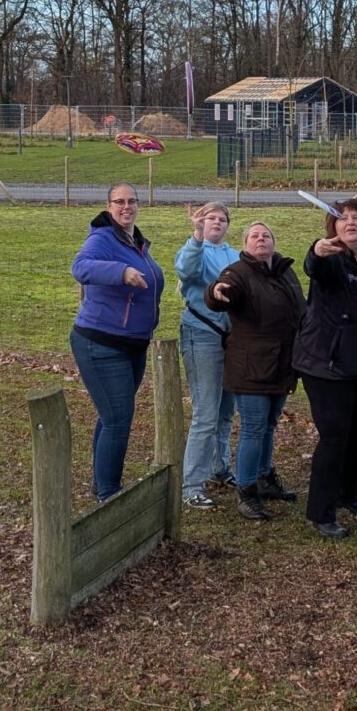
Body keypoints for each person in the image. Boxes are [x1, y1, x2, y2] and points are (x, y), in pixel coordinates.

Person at [293, 198, 357, 540]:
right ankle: (321, 512)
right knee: (333, 436)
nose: (350, 222)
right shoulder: (331, 259)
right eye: (342, 219)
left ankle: (349, 492)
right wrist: (316, 252)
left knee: (354, 432)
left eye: (356, 217)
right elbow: (313, 266)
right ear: (333, 228)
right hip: (324, 363)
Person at [70, 182, 165, 502]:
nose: (127, 207)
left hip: (133, 346)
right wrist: (121, 271)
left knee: (112, 416)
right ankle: (109, 496)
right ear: (109, 206)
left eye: (132, 201)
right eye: (120, 202)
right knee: (118, 419)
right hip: (102, 343)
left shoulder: (135, 241)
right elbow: (80, 267)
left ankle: (101, 484)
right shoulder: (102, 238)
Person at [205, 222, 305, 521]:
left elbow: (300, 309)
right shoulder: (237, 273)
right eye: (254, 236)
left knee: (270, 424)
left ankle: (264, 477)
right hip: (250, 366)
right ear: (245, 245)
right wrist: (216, 291)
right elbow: (221, 292)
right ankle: (246, 490)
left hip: (282, 363)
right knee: (253, 427)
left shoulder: (285, 272)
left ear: (274, 242)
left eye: (266, 235)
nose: (261, 239)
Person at [176, 202, 239, 510]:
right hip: (201, 334)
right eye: (210, 218)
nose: (216, 222)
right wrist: (197, 236)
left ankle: (219, 467)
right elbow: (186, 271)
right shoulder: (195, 250)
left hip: (232, 338)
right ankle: (192, 485)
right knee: (206, 413)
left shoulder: (235, 255)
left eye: (221, 219)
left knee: (226, 410)